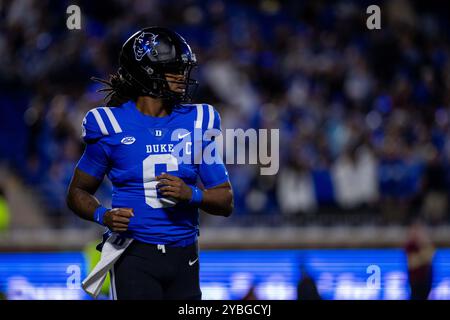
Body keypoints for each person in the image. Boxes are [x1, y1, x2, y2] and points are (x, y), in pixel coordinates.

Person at [66, 27, 233, 300]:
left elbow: (225, 200)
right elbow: (76, 192)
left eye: (183, 69)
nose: (183, 77)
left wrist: (191, 194)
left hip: (185, 256)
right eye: (174, 69)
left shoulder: (197, 121)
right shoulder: (110, 125)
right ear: (148, 72)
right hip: (134, 255)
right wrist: (102, 215)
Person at [405, 220, 435, 300]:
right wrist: (423, 257)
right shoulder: (410, 245)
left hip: (426, 283)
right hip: (416, 283)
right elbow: (412, 263)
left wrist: (422, 256)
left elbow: (431, 255)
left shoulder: (425, 244)